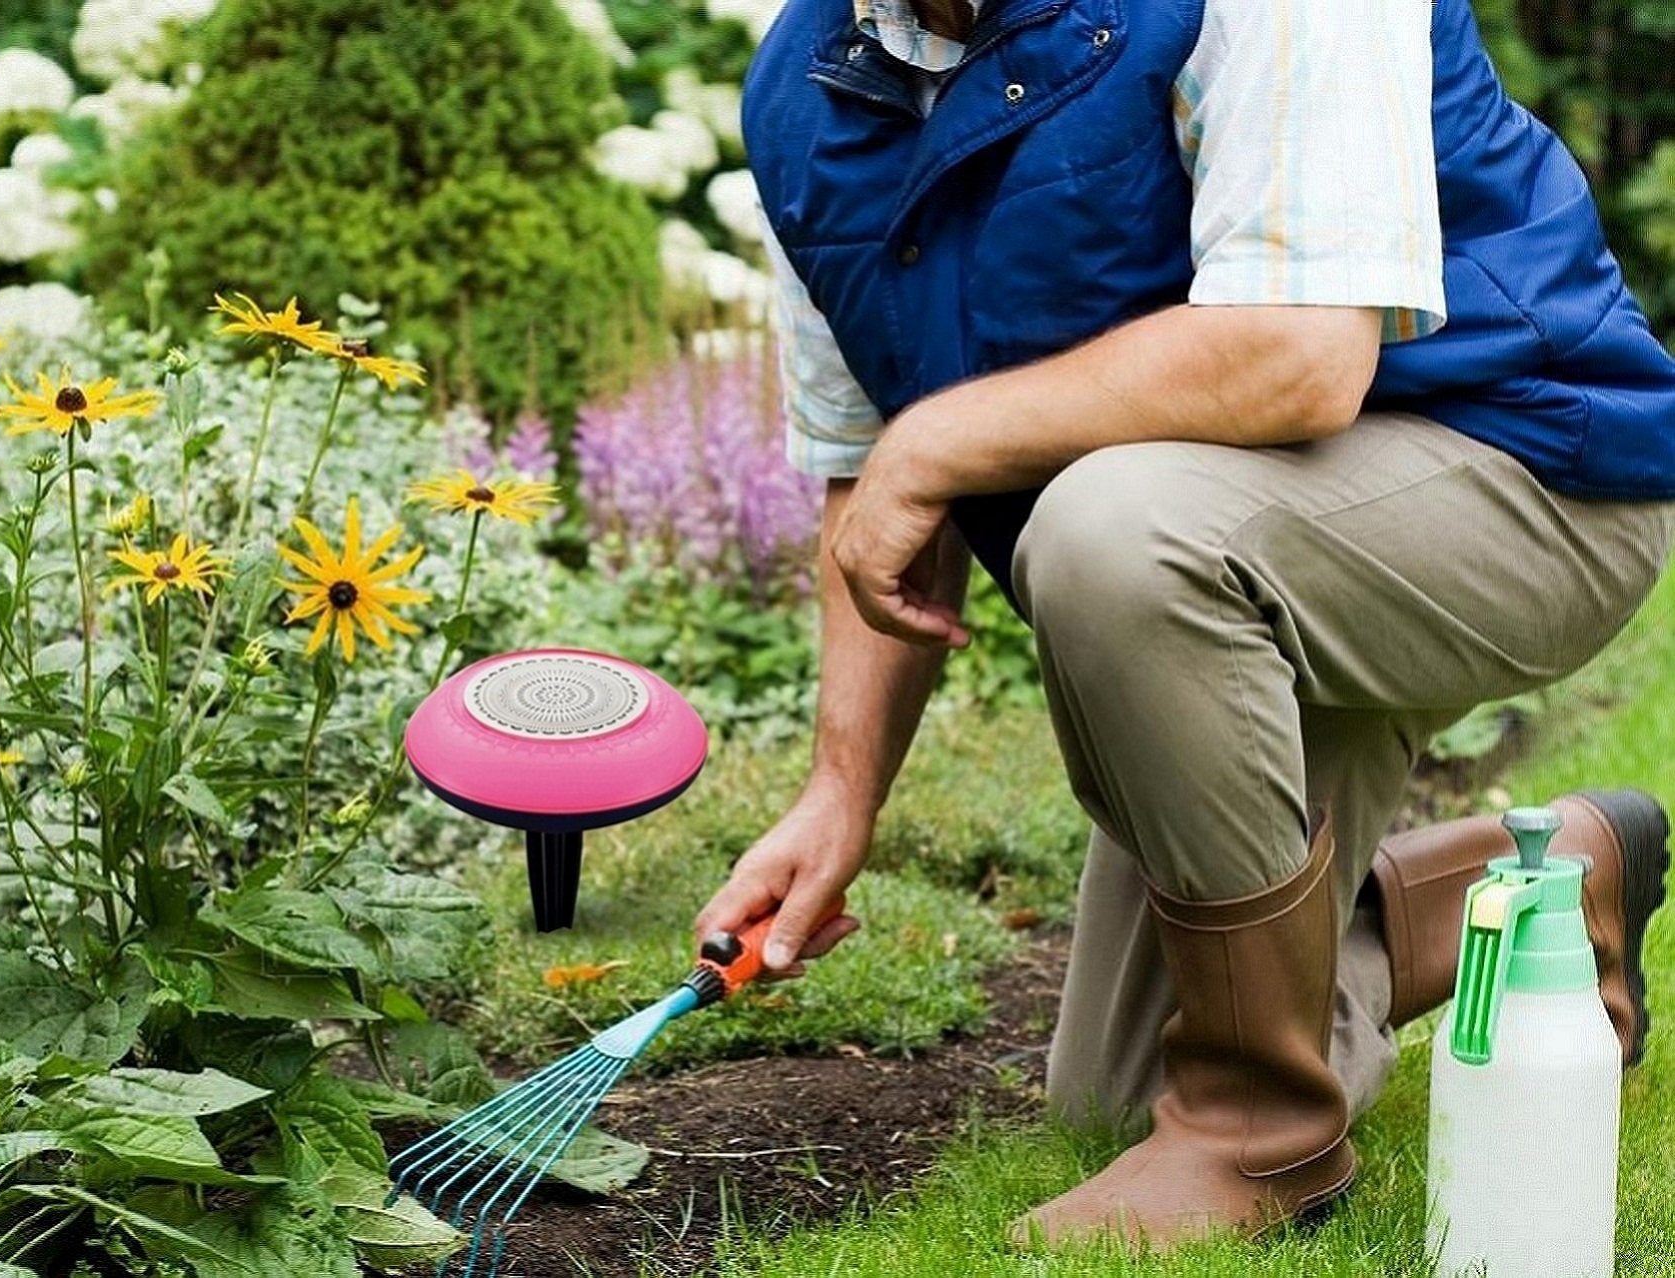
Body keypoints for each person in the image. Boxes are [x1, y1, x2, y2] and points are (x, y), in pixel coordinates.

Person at [695, 0, 1675, 1248]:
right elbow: (873, 494)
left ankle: (1257, 1134)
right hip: (1243, 533)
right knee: (1113, 1093)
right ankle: (1534, 894)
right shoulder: (809, 89)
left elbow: (1297, 359)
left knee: (1106, 530)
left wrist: (933, 439)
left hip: (1526, 471)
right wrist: (840, 793)